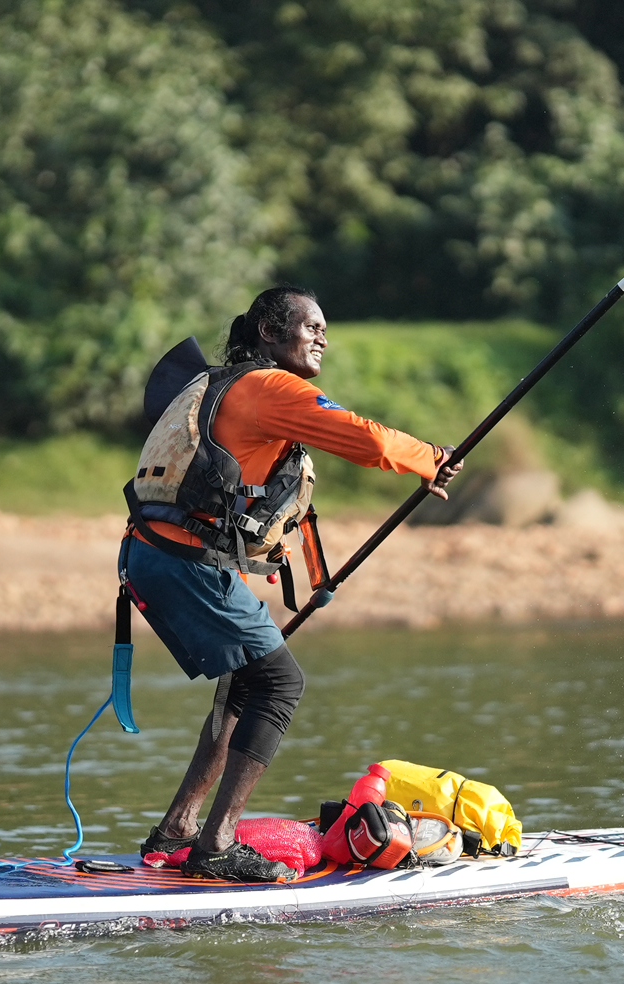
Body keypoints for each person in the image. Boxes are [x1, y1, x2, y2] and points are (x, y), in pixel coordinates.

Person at [118, 285, 462, 882]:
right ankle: (217, 843)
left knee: (244, 684)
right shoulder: (269, 387)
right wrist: (430, 456)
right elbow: (367, 438)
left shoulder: (223, 385)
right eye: (311, 327)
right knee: (279, 682)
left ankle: (180, 826)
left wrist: (315, 578)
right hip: (182, 560)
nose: (323, 337)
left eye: (325, 328)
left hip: (152, 555)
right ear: (270, 335)